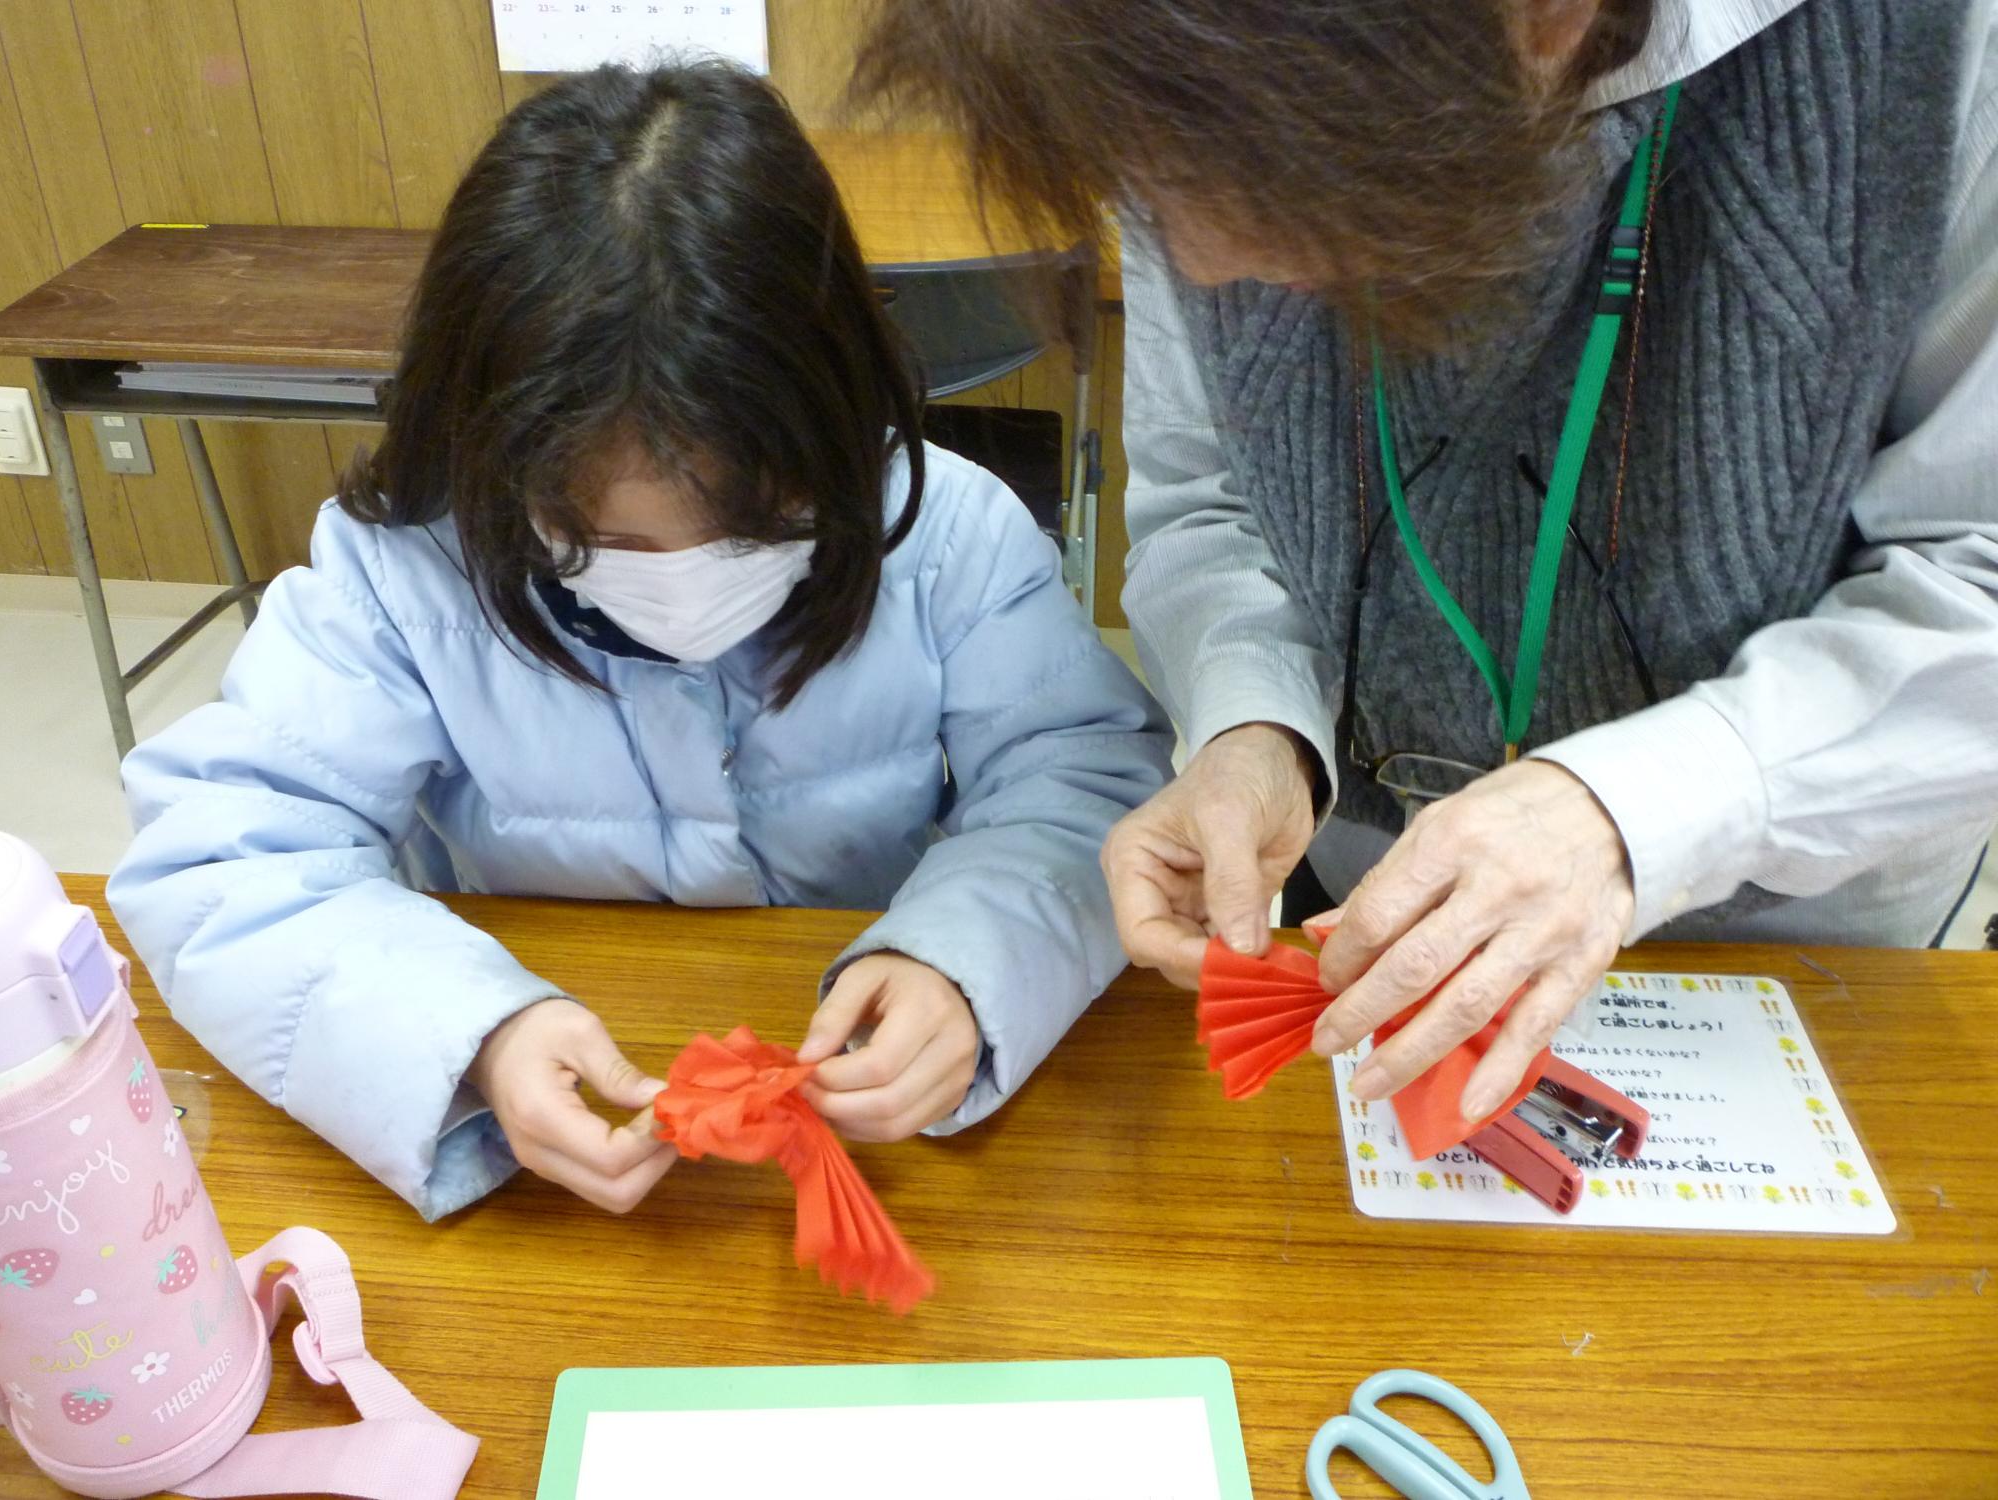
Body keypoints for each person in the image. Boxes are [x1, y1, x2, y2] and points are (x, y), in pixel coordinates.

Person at [856, 1, 1998, 1122]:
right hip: (1372, 908)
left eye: (1266, 178)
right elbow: (1210, 488)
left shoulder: (1939, 56)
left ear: (1541, 20)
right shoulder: (1177, 61)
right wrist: (1257, 724)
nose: (1200, 264)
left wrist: (1628, 812)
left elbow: (1978, 568)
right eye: (1150, 194)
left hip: (1807, 945)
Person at [106, 62, 1173, 1223]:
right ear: (489, 458)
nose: (679, 584)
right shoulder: (407, 567)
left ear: (837, 417)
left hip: (876, 1128)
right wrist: (469, 1035)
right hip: (561, 1145)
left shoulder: (949, 530)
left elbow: (1080, 782)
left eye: (756, 526)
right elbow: (226, 860)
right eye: (592, 535)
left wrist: (963, 964)